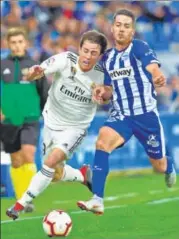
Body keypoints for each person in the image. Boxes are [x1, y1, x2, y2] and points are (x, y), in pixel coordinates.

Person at [77, 9, 177, 215]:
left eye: (126, 26)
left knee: (158, 166)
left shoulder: (139, 47)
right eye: (118, 25)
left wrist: (157, 75)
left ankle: (169, 166)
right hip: (121, 114)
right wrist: (100, 91)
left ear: (132, 31)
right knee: (102, 142)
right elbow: (109, 90)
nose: (122, 29)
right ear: (112, 29)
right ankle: (97, 199)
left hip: (146, 116)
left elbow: (152, 67)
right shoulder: (107, 60)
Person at [6, 30, 108, 220]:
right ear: (79, 48)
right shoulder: (65, 60)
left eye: (94, 53)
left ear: (100, 55)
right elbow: (34, 74)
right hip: (51, 122)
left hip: (75, 128)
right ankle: (82, 175)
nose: (88, 56)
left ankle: (20, 205)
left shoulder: (102, 75)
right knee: (54, 173)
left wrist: (103, 96)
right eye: (85, 50)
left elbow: (109, 95)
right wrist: (33, 74)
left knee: (50, 162)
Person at [1, 27, 49, 212]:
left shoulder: (35, 66)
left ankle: (27, 198)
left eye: (20, 41)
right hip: (8, 120)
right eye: (13, 42)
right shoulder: (1, 65)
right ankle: (22, 198)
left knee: (28, 154)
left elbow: (44, 92)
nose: (17, 45)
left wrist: (47, 112)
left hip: (30, 117)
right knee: (16, 161)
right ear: (8, 44)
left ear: (26, 43)